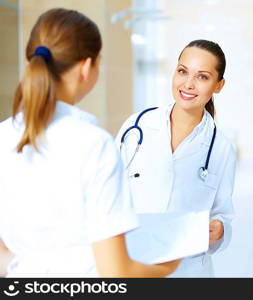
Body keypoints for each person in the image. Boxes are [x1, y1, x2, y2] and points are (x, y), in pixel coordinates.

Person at [0, 8, 180, 277]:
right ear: (86, 67)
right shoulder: (94, 145)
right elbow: (116, 273)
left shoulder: (3, 135)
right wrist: (169, 264)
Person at [117, 40, 236, 277]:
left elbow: (222, 213)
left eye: (202, 77)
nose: (188, 84)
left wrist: (220, 229)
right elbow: (109, 191)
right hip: (133, 261)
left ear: (218, 86)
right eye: (182, 71)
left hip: (187, 270)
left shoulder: (220, 148)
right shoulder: (136, 126)